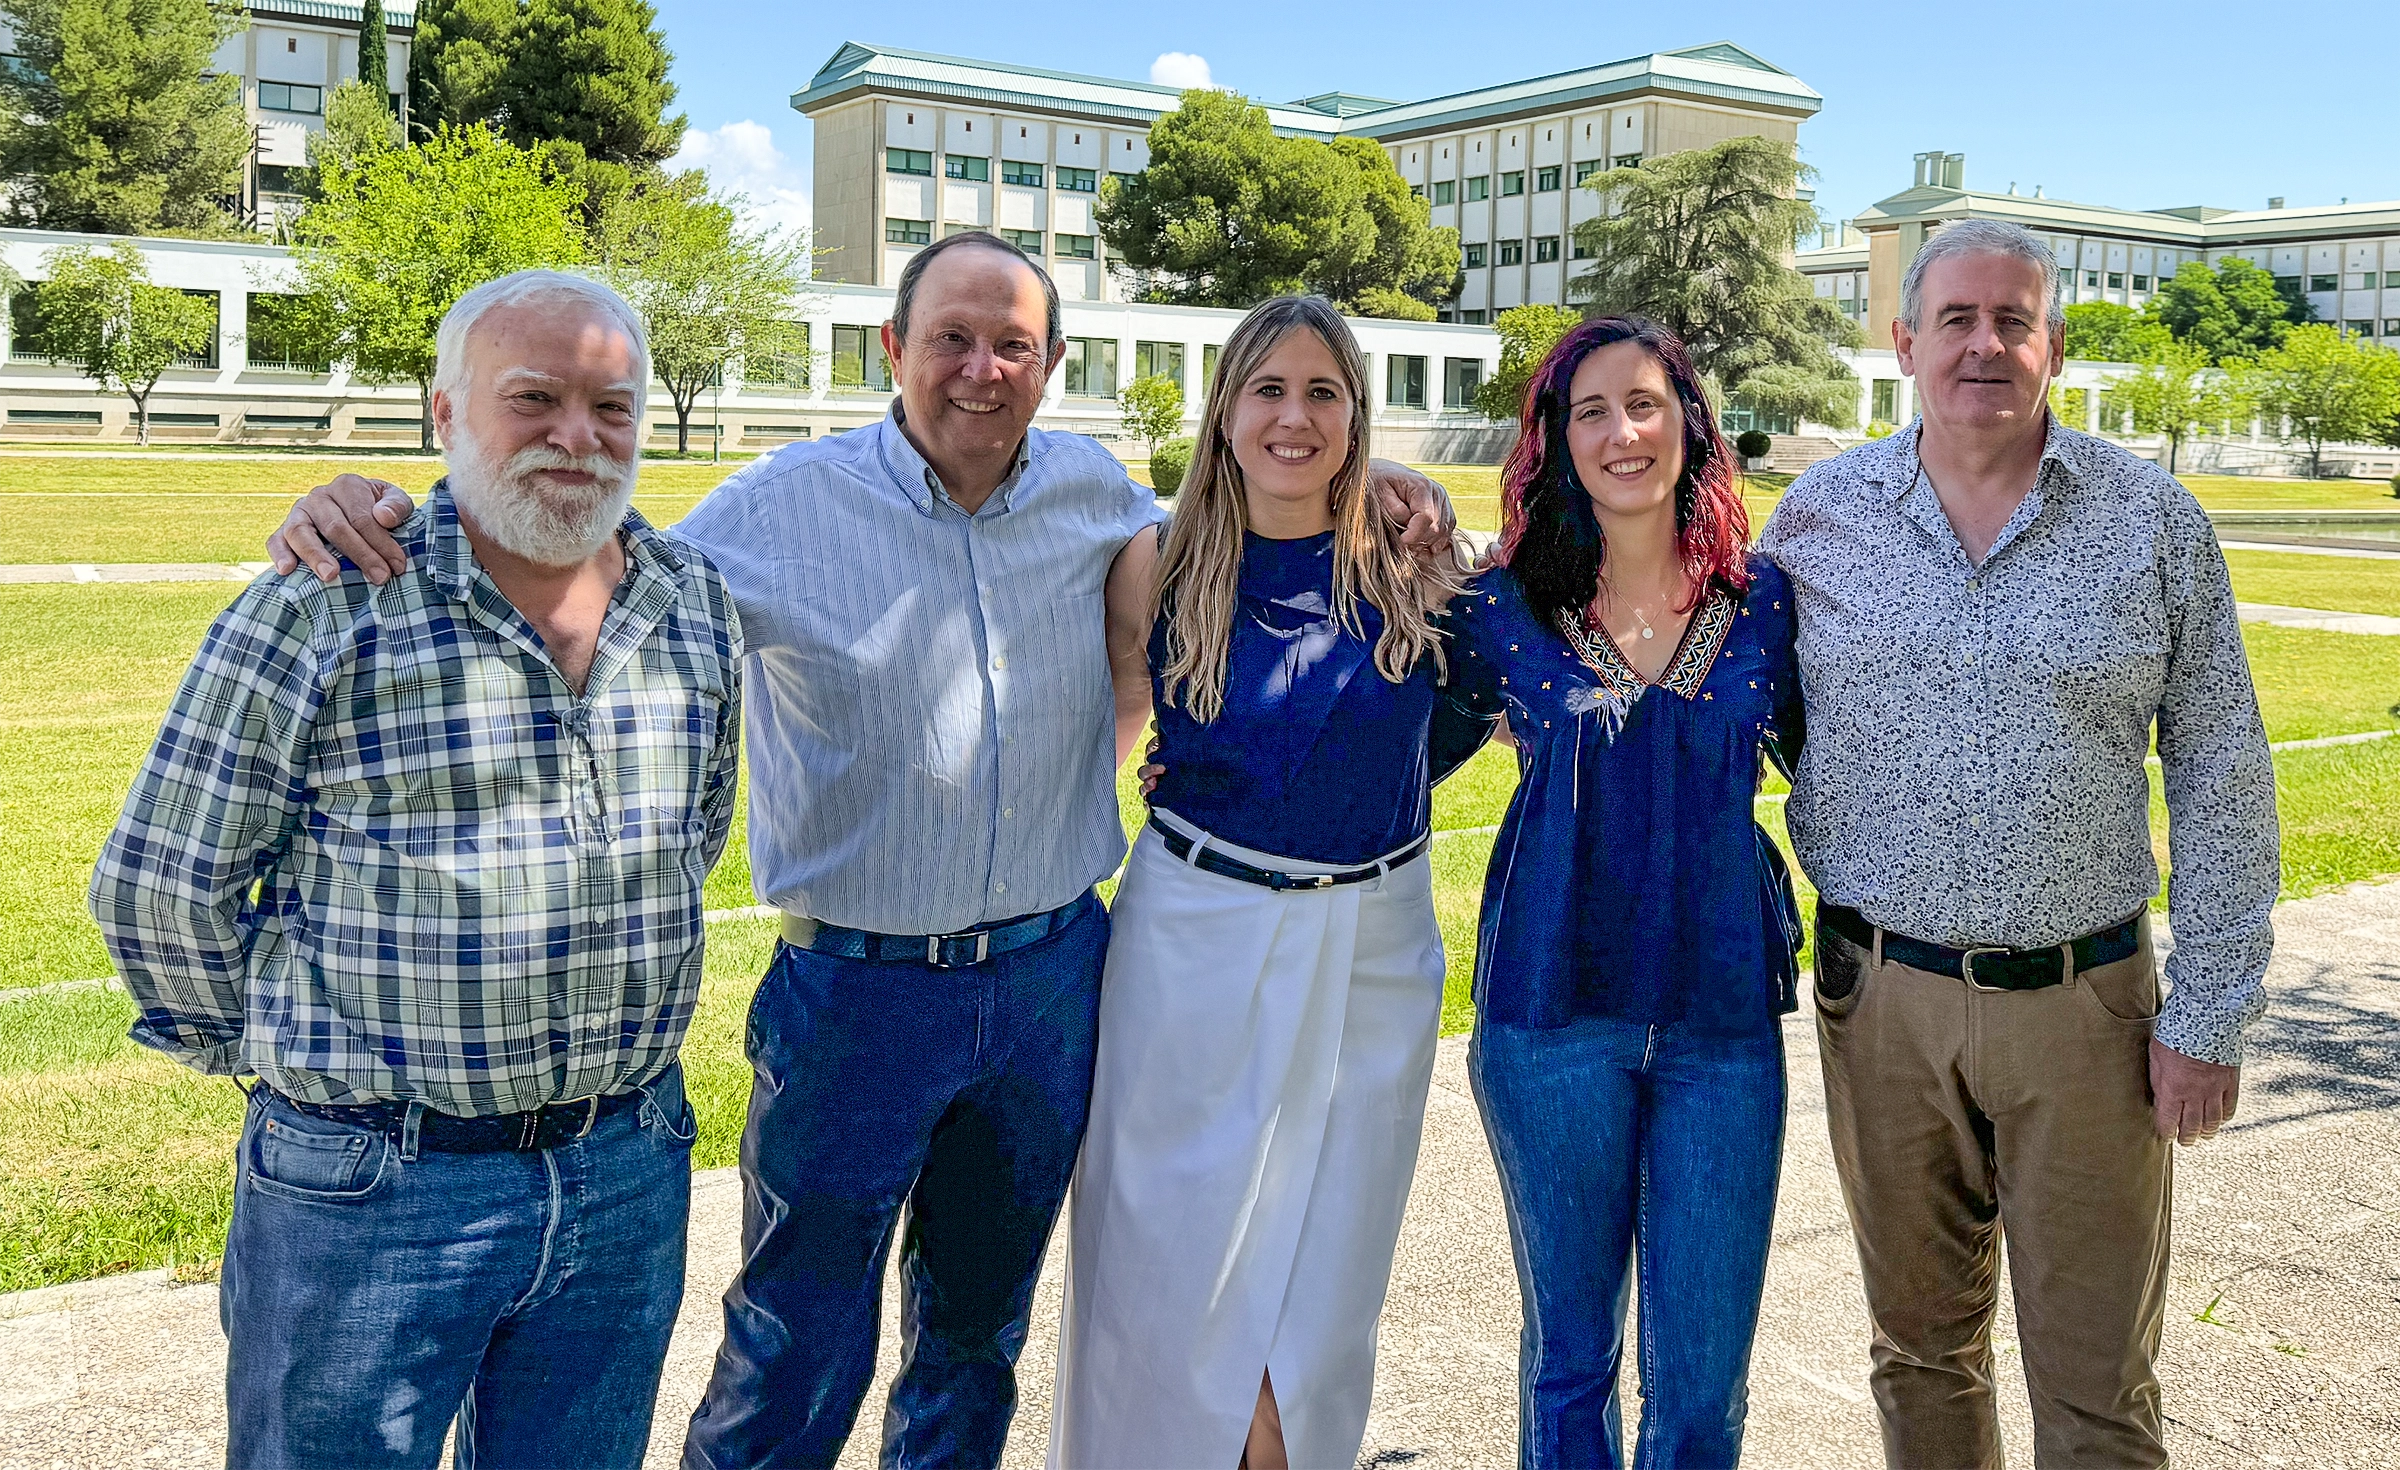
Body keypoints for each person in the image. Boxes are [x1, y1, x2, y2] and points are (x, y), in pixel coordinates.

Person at [264, 230, 1458, 1470]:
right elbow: (578, 552)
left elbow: (1253, 537)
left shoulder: (1096, 495)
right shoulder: (782, 508)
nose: (981, 368)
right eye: (950, 337)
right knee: (796, 1344)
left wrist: (1384, 486)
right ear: (894, 349)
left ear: (1051, 365)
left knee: (975, 1342)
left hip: (1052, 981)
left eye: (1012, 344)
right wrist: (392, 502)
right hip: (856, 997)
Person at [91, 269, 740, 1469]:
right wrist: (288, 1061)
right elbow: (157, 883)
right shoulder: (327, 604)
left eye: (611, 405)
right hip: (375, 1192)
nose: (576, 436)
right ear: (444, 415)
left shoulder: (691, 600)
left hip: (623, 1175)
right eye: (533, 398)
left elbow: (694, 836)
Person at [1759, 218, 2280, 1469]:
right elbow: (1750, 708)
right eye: (1956, 319)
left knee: (2098, 1387)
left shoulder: (2151, 522)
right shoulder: (1818, 519)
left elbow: (2220, 769)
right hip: (1880, 1002)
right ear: (1903, 343)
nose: (1983, 344)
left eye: (2012, 321)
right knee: (1920, 1357)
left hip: (2086, 1009)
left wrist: (2206, 1017)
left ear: (2053, 344)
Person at [1052, 295, 1473, 1470]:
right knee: (1172, 1282)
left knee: (1321, 1295)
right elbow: (1112, 728)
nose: (1296, 416)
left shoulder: (1417, 560)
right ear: (1225, 410)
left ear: (1358, 414)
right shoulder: (1158, 560)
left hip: (1376, 949)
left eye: (1324, 392)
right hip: (1194, 939)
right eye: (1269, 390)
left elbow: (1459, 724)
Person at [1438, 317, 1803, 1469]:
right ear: (1555, 439)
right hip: (1548, 1019)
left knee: (1700, 1388)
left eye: (1642, 403)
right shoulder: (1497, 611)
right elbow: (1380, 750)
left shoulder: (1769, 605)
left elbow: (1856, 766)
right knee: (1568, 1364)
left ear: (1688, 424)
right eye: (1588, 411)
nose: (1620, 432)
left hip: (1721, 1027)